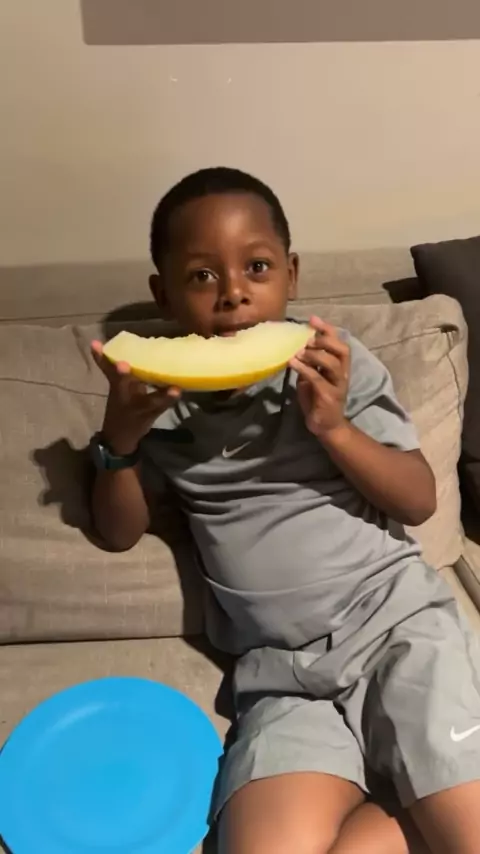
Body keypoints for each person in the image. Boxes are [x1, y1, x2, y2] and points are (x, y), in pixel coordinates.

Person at [90, 167, 480, 854]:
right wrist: (118, 441)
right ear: (163, 293)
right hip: (280, 674)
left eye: (257, 267)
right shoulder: (157, 403)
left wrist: (334, 428)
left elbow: (418, 499)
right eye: (202, 276)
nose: (233, 292)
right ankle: (412, 792)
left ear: (291, 276)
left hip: (398, 629)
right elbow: (119, 532)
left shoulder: (334, 365)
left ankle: (420, 788)